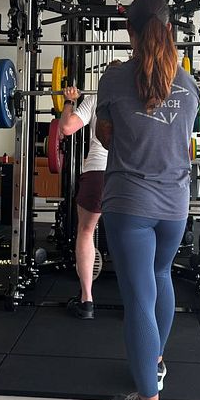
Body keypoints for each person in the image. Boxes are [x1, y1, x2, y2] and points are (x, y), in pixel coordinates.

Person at [95, 0, 199, 400]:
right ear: (170, 29)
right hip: (175, 206)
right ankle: (153, 362)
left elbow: (104, 136)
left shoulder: (114, 78)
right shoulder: (189, 85)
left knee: (139, 297)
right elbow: (184, 139)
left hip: (130, 205)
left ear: (130, 31)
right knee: (160, 277)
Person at [58, 65, 119, 319]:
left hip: (97, 172)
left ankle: (87, 302)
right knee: (133, 235)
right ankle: (137, 303)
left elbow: (66, 128)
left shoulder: (96, 98)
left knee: (86, 231)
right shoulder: (137, 98)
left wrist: (69, 101)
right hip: (126, 173)